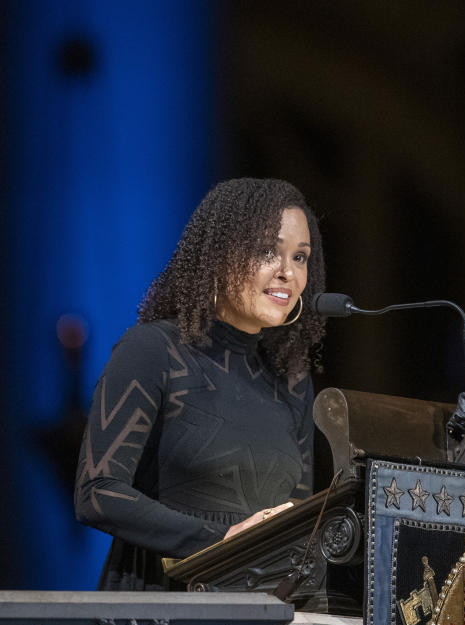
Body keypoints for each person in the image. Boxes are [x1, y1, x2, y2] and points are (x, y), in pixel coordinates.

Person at [74, 178, 327, 590]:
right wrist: (218, 543)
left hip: (259, 612)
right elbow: (97, 494)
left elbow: (294, 519)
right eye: (268, 251)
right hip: (157, 605)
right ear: (219, 255)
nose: (288, 273)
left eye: (300, 257)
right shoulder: (153, 350)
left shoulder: (293, 381)